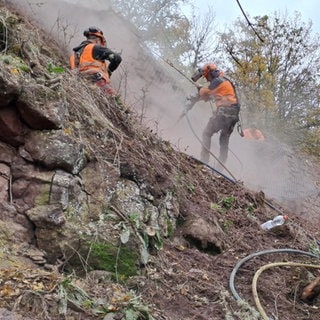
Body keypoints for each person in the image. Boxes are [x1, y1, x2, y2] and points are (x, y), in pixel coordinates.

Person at [189, 63, 240, 165]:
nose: (207, 79)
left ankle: (204, 162)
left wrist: (199, 88)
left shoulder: (217, 81)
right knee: (224, 142)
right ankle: (219, 168)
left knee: (206, 133)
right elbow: (210, 96)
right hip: (234, 115)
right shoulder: (224, 80)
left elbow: (204, 93)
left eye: (206, 76)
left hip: (224, 113)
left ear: (210, 73)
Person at [70, 26, 122, 97]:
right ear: (98, 40)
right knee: (115, 100)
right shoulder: (96, 47)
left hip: (80, 85)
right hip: (97, 83)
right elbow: (117, 58)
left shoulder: (74, 55)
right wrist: (109, 72)